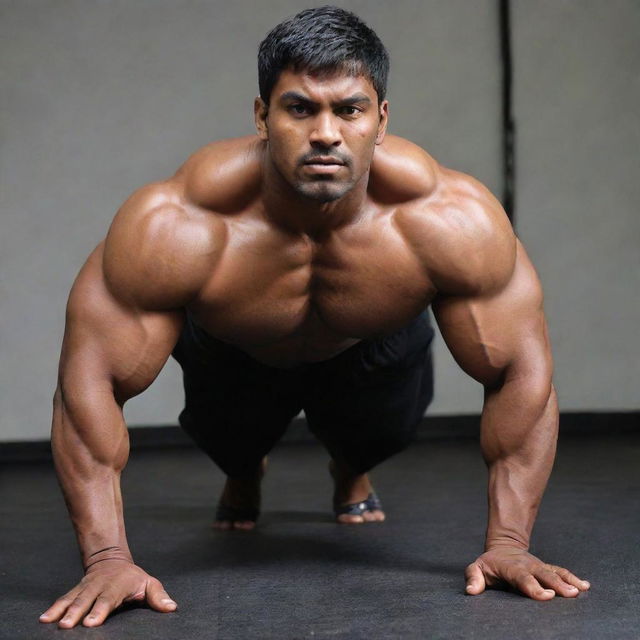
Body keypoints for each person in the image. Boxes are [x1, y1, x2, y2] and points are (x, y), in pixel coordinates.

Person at [39, 5, 590, 630]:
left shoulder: (448, 220)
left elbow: (522, 372)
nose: (325, 132)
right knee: (230, 443)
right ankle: (244, 471)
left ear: (380, 120)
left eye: (349, 109)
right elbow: (87, 383)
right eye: (300, 108)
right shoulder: (177, 224)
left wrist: (509, 543)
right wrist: (106, 559)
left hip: (371, 346)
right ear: (261, 117)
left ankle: (350, 469)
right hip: (235, 350)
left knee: (374, 435)